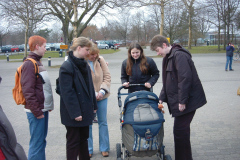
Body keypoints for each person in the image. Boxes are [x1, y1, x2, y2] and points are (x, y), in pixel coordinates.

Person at [150, 35, 207, 160]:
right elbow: (168, 82)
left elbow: (184, 79)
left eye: (157, 50)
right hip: (183, 100)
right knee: (181, 132)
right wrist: (161, 98)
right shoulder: (168, 57)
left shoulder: (179, 56)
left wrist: (182, 101)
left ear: (164, 45)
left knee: (180, 132)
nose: (157, 53)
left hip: (188, 101)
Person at [59, 37, 97, 160]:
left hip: (85, 110)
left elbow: (90, 87)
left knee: (84, 140)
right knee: (73, 142)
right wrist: (75, 113)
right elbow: (67, 92)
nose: (88, 52)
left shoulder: (84, 64)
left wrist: (94, 106)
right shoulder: (66, 66)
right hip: (73, 113)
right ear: (79, 48)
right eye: (87, 49)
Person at [21, 35, 54, 160]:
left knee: (40, 141)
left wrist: (47, 106)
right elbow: (28, 91)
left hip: (42, 109)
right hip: (37, 111)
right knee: (37, 143)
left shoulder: (37, 62)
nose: (46, 49)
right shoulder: (30, 64)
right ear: (37, 46)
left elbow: (42, 88)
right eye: (44, 46)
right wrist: (37, 111)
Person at [86, 42, 111, 158]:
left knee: (103, 122)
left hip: (102, 97)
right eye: (92, 55)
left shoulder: (100, 60)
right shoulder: (82, 62)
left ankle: (104, 148)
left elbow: (107, 76)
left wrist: (102, 91)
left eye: (96, 54)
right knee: (88, 124)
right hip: (88, 98)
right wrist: (93, 93)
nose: (94, 57)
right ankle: (88, 149)